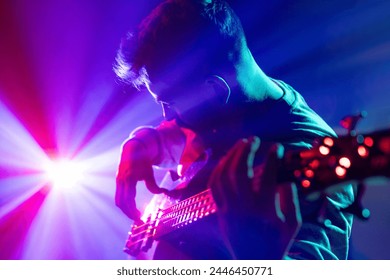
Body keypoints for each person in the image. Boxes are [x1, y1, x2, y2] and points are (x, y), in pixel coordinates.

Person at [114, 0, 354, 260]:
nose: (166, 116)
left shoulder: (312, 156)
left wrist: (262, 257)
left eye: (168, 103)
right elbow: (179, 134)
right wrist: (140, 142)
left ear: (216, 89)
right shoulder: (222, 109)